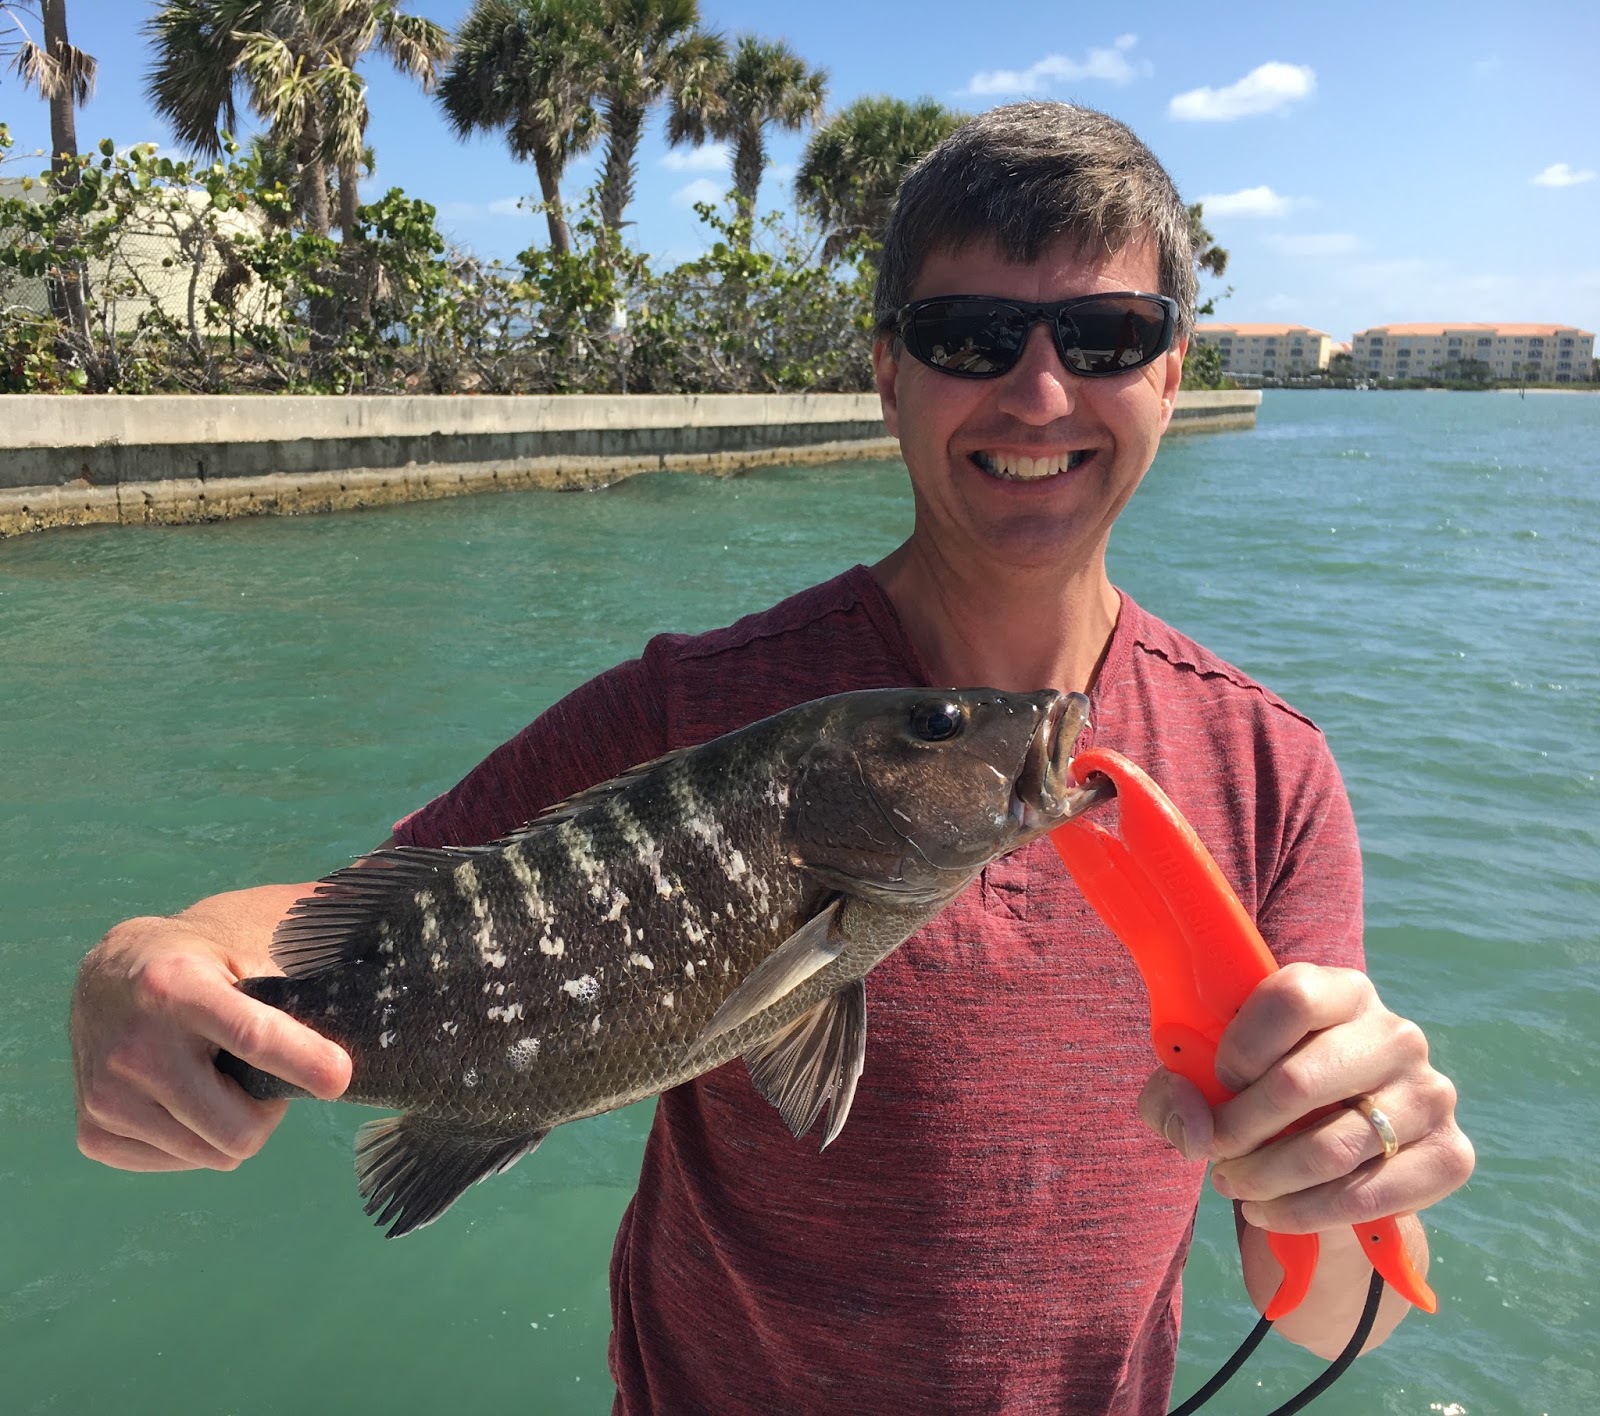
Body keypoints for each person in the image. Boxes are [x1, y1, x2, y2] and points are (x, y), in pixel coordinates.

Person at [69, 102, 1473, 1414]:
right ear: (887, 373)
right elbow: (361, 905)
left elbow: (1327, 1308)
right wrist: (159, 958)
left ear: (1173, 370)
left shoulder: (1271, 773)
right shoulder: (705, 705)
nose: (1040, 392)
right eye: (971, 334)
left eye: (1104, 336)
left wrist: (1349, 1172)